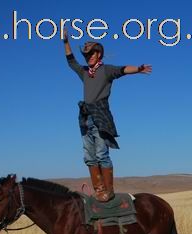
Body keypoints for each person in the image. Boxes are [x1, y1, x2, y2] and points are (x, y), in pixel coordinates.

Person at [63, 29, 152, 201]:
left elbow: (123, 69)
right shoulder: (84, 72)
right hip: (85, 118)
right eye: (86, 55)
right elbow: (70, 61)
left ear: (98, 54)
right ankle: (99, 190)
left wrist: (139, 69)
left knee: (101, 153)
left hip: (100, 115)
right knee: (89, 155)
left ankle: (108, 190)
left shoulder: (106, 70)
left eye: (91, 54)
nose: (88, 57)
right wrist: (65, 42)